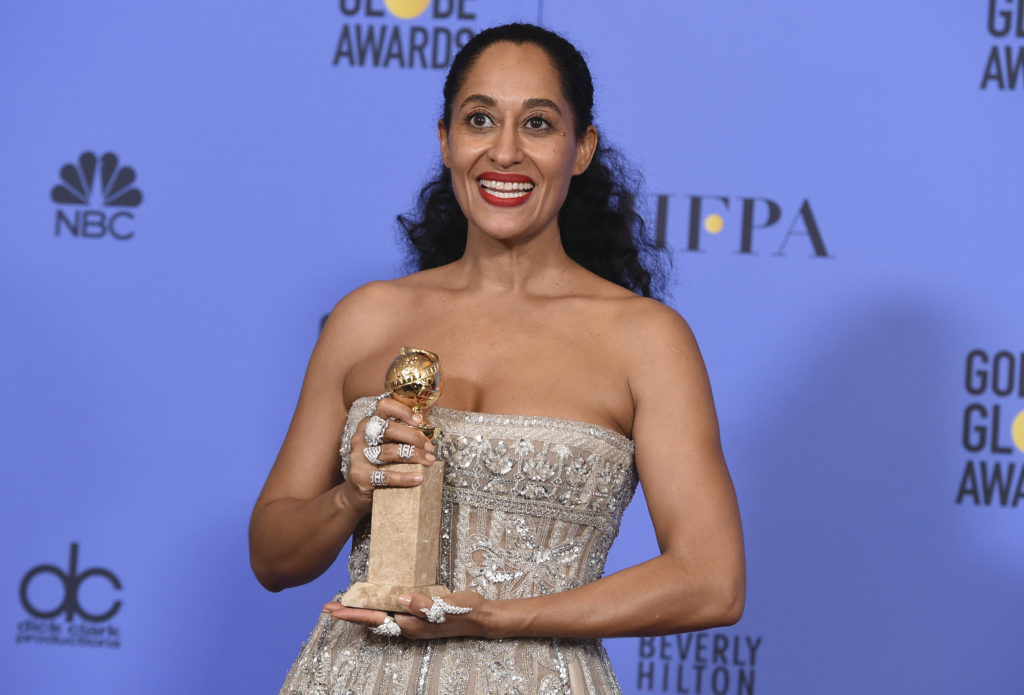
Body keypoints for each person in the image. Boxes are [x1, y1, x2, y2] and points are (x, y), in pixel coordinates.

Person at [250, 22, 745, 694]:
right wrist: (352, 494)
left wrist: (496, 618)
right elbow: (272, 555)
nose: (504, 152)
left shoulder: (647, 339)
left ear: (581, 149)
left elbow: (712, 580)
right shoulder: (367, 316)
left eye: (538, 124)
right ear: (446, 140)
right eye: (480, 119)